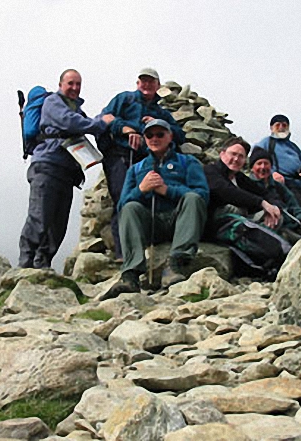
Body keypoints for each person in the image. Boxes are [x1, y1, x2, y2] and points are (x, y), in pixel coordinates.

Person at [19, 69, 114, 269]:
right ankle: (25, 265)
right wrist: (100, 123)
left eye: (78, 84)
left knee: (58, 224)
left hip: (66, 172)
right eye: (70, 83)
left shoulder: (76, 110)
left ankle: (42, 265)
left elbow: (86, 123)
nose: (74, 88)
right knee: (40, 216)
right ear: (61, 84)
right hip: (47, 165)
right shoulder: (53, 102)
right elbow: (71, 122)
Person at [103, 119, 208, 299]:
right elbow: (122, 205)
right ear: (144, 138)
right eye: (149, 135)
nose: (154, 138)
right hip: (150, 224)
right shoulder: (136, 169)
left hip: (179, 221)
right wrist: (141, 189)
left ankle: (175, 263)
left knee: (192, 198)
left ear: (170, 136)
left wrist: (168, 190)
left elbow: (202, 195)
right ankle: (130, 276)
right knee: (130, 207)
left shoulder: (187, 162)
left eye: (160, 134)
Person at [98, 68, 185, 259]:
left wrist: (159, 123)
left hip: (145, 161)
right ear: (137, 83)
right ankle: (124, 254)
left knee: (142, 200)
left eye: (151, 81)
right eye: (143, 81)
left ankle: (139, 250)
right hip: (120, 155)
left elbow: (180, 136)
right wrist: (126, 129)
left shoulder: (160, 112)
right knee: (123, 198)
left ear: (158, 86)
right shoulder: (124, 99)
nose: (146, 85)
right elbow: (104, 117)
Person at [204, 137, 291, 280]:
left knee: (275, 218)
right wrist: (262, 203)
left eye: (241, 156)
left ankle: (270, 263)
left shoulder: (240, 178)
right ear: (222, 154)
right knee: (243, 227)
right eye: (233, 154)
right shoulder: (210, 171)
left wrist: (273, 207)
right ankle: (282, 255)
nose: (236, 159)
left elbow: (265, 193)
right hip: (216, 223)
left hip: (236, 220)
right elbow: (225, 191)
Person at [254, 114, 301, 219]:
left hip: (300, 185)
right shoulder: (266, 143)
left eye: (284, 125)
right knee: (300, 210)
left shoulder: (293, 146)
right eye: (277, 125)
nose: (281, 127)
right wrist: (272, 174)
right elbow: (256, 159)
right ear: (271, 128)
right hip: (284, 184)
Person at [248, 147, 301, 244]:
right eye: (259, 164)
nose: (263, 167)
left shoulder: (279, 187)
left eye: (266, 163)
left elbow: (295, 206)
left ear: (271, 166)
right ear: (252, 167)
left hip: (292, 225)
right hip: (268, 228)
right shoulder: (247, 186)